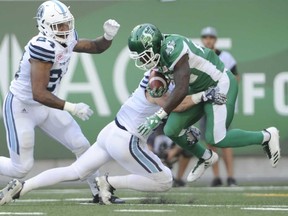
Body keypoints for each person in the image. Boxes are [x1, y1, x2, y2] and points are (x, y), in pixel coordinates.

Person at [0, 69, 224, 205]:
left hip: (112, 131)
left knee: (75, 171)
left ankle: (23, 187)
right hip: (127, 139)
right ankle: (108, 183)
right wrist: (203, 96)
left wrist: (185, 125)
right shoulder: (158, 80)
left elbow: (165, 111)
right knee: (165, 182)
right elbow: (171, 106)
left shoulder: (158, 73)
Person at [0, 0, 122, 203]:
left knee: (81, 144)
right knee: (20, 168)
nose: (65, 29)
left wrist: (108, 37)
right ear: (44, 26)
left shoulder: (66, 37)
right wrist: (72, 107)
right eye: (59, 25)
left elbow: (94, 47)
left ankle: (100, 192)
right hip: (22, 107)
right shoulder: (41, 46)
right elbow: (39, 93)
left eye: (67, 23)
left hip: (47, 105)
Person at [128, 23, 280, 182]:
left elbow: (181, 89)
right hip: (200, 88)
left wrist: (158, 116)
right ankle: (206, 157)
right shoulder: (161, 51)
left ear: (154, 45)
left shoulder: (174, 49)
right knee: (171, 129)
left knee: (216, 138)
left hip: (219, 83)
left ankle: (266, 136)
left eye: (144, 54)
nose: (143, 59)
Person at [200, 26, 239, 187]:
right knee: (210, 142)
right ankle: (216, 177)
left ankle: (231, 177)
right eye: (205, 37)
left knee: (226, 141)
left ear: (215, 39)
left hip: (221, 104)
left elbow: (236, 78)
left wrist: (225, 96)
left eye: (211, 37)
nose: (208, 40)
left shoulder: (226, 57)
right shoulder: (200, 56)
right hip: (205, 103)